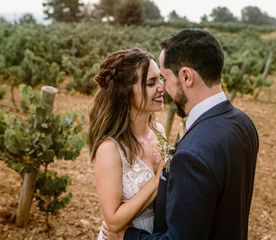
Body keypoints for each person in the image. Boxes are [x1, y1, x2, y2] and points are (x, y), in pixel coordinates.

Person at [120, 29, 259, 239]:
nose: (162, 88)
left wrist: (127, 236)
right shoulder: (243, 123)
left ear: (186, 76)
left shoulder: (192, 154)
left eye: (165, 78)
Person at [88, 48, 166, 240]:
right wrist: (159, 179)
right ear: (126, 93)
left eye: (161, 79)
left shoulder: (159, 131)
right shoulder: (110, 149)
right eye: (151, 83)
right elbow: (113, 220)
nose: (162, 87)